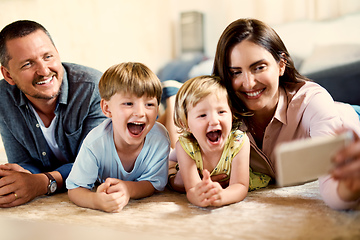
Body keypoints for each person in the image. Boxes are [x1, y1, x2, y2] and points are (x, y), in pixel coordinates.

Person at [212, 18, 360, 210]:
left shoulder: (312, 102)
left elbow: (333, 186)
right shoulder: (220, 114)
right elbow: (176, 158)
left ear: (281, 64)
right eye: (235, 72)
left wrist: (350, 188)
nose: (248, 83)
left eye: (259, 67)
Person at [0, 20, 106, 208]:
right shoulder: (3, 99)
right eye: (27, 64)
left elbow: (95, 166)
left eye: (48, 56)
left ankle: (167, 99)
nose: (43, 71)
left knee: (156, 128)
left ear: (57, 53)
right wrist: (17, 177)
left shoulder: (93, 89)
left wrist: (42, 183)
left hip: (135, 129)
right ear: (8, 75)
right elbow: (24, 162)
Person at [66, 62, 170, 213]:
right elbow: (75, 189)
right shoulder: (95, 143)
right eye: (128, 103)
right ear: (107, 109)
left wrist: (128, 189)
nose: (140, 112)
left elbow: (154, 184)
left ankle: (172, 97)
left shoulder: (160, 138)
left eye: (149, 104)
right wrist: (96, 201)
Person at [170, 75, 271, 207]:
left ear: (232, 115)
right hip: (174, 166)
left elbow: (240, 185)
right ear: (186, 124)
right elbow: (191, 189)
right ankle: (170, 97)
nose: (214, 121)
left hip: (232, 182)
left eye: (221, 112)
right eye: (202, 115)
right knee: (172, 177)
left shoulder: (238, 141)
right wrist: (199, 197)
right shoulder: (185, 146)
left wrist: (222, 196)